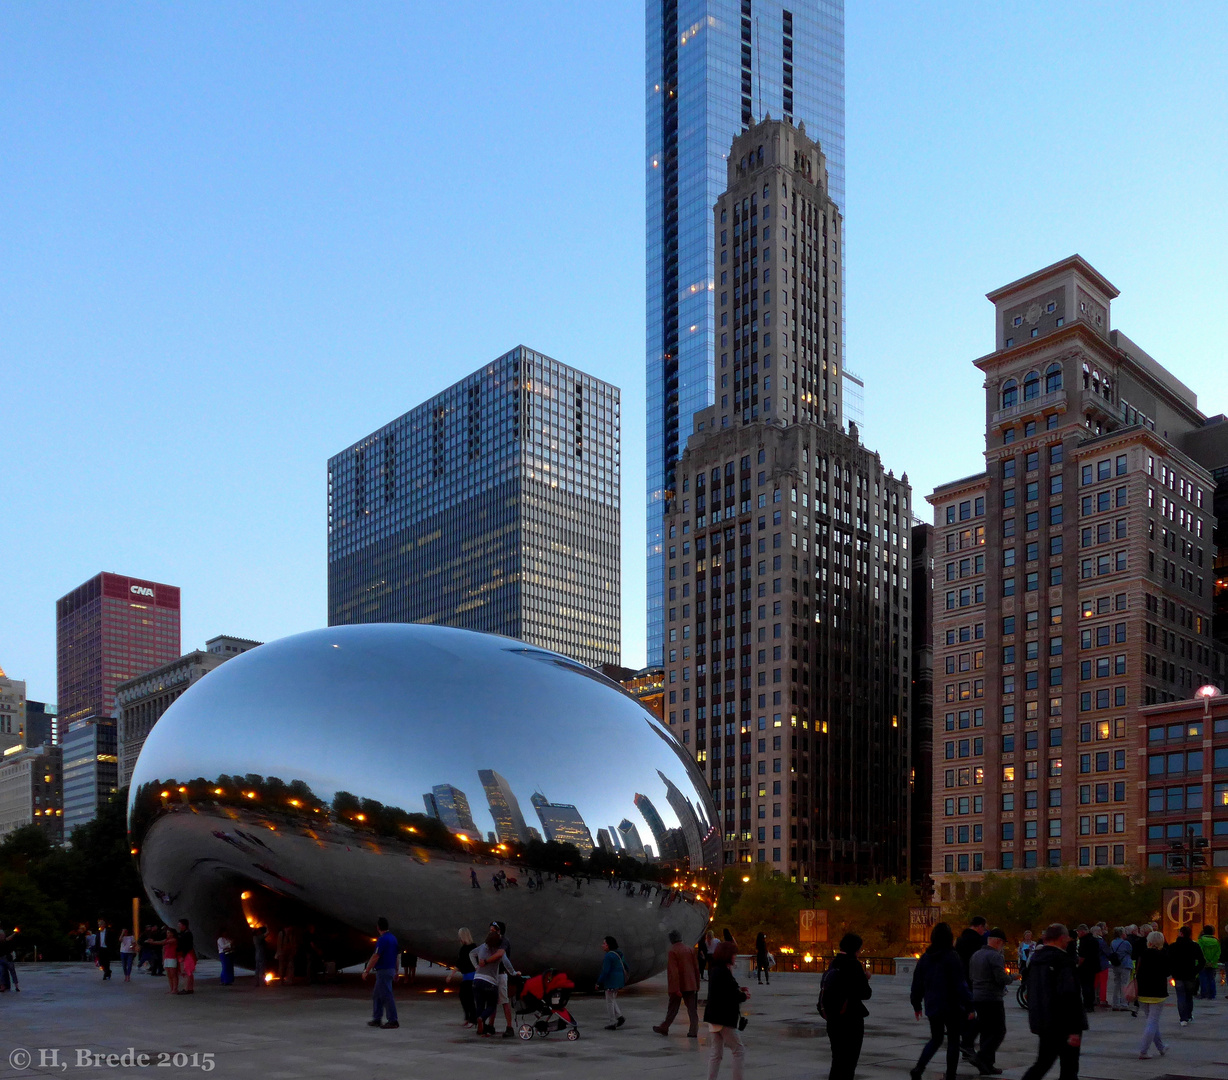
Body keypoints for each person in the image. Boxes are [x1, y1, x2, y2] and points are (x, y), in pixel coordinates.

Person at [1019, 923, 1086, 1080]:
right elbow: (1070, 996)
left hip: (1044, 1020)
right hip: (1063, 1023)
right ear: (1062, 938)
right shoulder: (1063, 961)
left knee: (1042, 1063)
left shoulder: (1036, 961)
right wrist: (1074, 1028)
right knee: (1068, 1066)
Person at [910, 922, 972, 1080]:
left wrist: (916, 1003)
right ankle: (951, 1074)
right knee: (953, 1041)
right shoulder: (952, 956)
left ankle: (919, 1067)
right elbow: (960, 983)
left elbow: (917, 982)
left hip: (933, 1003)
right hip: (952, 1005)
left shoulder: (926, 957)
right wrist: (970, 1004)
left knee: (936, 1038)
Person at [821, 932, 872, 1080]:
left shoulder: (834, 963)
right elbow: (865, 993)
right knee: (849, 1063)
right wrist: (866, 978)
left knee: (837, 1061)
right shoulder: (853, 964)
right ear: (856, 949)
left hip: (833, 1019)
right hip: (851, 1020)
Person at [969, 927, 1015, 1075]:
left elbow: (971, 976)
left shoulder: (976, 955)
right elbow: (1001, 978)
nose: (1003, 947)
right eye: (1003, 943)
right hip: (992, 998)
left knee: (986, 1031)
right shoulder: (995, 956)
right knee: (999, 1031)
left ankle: (986, 1066)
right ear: (998, 942)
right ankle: (981, 1057)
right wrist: (1013, 977)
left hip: (978, 997)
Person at [704, 940, 748, 1080]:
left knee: (716, 1053)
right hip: (723, 1017)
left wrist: (739, 990)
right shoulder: (722, 971)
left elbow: (724, 990)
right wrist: (743, 995)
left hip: (713, 1016)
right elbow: (729, 995)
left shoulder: (715, 969)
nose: (735, 957)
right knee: (738, 1050)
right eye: (734, 954)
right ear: (728, 955)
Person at [654, 929, 700, 1037]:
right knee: (692, 1009)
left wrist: (676, 989)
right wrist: (697, 984)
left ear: (671, 939)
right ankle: (693, 1030)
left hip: (679, 986)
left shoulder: (673, 951)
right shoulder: (690, 949)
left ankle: (664, 1027)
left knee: (673, 1008)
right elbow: (696, 968)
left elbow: (674, 972)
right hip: (691, 984)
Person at [469, 927, 514, 1036]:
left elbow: (471, 953)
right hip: (490, 982)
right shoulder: (498, 952)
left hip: (476, 980)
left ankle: (481, 1027)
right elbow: (507, 963)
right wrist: (513, 973)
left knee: (480, 1005)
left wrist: (476, 966)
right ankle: (482, 1018)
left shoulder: (482, 947)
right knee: (492, 1005)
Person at [1134, 929, 1168, 1058]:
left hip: (1143, 991)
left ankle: (1161, 1047)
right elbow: (1167, 972)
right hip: (1158, 992)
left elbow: (1138, 971)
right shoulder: (1164, 955)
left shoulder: (1143, 954)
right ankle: (1144, 1050)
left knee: (1151, 1021)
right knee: (1152, 1022)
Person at [956, 917, 987, 1054]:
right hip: (975, 981)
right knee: (978, 1015)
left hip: (961, 980)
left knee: (965, 1014)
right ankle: (968, 1043)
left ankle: (966, 1045)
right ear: (979, 926)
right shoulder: (978, 942)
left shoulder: (960, 940)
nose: (984, 931)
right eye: (984, 928)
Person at [362, 916, 399, 1029]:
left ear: (378, 927)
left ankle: (393, 1020)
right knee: (377, 994)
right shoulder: (393, 939)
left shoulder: (382, 939)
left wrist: (366, 970)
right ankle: (377, 1018)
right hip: (390, 969)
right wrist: (397, 971)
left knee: (387, 995)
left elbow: (376, 956)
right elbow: (396, 956)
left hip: (383, 970)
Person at [1168, 924, 1203, 1025]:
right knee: (1189, 996)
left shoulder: (1173, 946)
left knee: (1181, 996)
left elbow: (1169, 960)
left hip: (1178, 974)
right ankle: (1188, 1015)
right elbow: (1202, 961)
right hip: (1190, 974)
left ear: (1181, 933)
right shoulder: (1194, 946)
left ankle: (1183, 1018)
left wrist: (1172, 971)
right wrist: (1196, 970)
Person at [596, 935, 628, 1030]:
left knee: (609, 1002)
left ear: (609, 945)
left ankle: (612, 1021)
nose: (603, 945)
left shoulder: (609, 956)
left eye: (604, 943)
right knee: (612, 999)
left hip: (611, 982)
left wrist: (598, 982)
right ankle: (619, 1017)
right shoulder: (619, 954)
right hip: (618, 981)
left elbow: (605, 971)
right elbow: (626, 966)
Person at [453, 928, 477, 1027]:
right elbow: (459, 963)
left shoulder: (473, 947)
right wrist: (451, 974)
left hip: (472, 975)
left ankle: (473, 1019)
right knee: (463, 997)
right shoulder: (463, 949)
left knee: (469, 998)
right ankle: (468, 1017)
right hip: (466, 976)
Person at [1073, 924, 1098, 1012]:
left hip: (1085, 967)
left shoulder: (1084, 941)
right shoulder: (1094, 940)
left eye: (1078, 932)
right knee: (1091, 986)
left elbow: (1082, 956)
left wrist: (1077, 965)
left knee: (1085, 986)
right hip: (1093, 966)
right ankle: (1091, 1004)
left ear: (1082, 931)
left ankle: (1087, 1004)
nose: (1078, 934)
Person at [153, 924, 179, 994]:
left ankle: (175, 989)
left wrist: (152, 942)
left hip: (172, 958)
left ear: (172, 933)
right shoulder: (167, 940)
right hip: (167, 958)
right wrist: (163, 959)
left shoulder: (174, 940)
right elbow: (163, 950)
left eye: (169, 933)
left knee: (173, 974)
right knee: (169, 975)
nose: (167, 934)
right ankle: (172, 989)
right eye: (167, 933)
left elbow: (162, 942)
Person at [1196, 924, 1220, 1000]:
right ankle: (1212, 994)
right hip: (1212, 964)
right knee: (1211, 979)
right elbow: (1218, 953)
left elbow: (1199, 952)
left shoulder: (1201, 940)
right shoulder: (1216, 941)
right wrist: (1212, 961)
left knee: (1203, 979)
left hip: (1203, 964)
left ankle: (1204, 994)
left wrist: (1205, 961)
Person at [176, 919, 197, 994]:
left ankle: (186, 988)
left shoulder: (186, 934)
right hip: (187, 954)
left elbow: (186, 946)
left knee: (186, 972)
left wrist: (182, 955)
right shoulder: (185, 933)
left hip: (186, 954)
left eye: (179, 924)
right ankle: (190, 988)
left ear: (183, 925)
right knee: (189, 972)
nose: (178, 925)